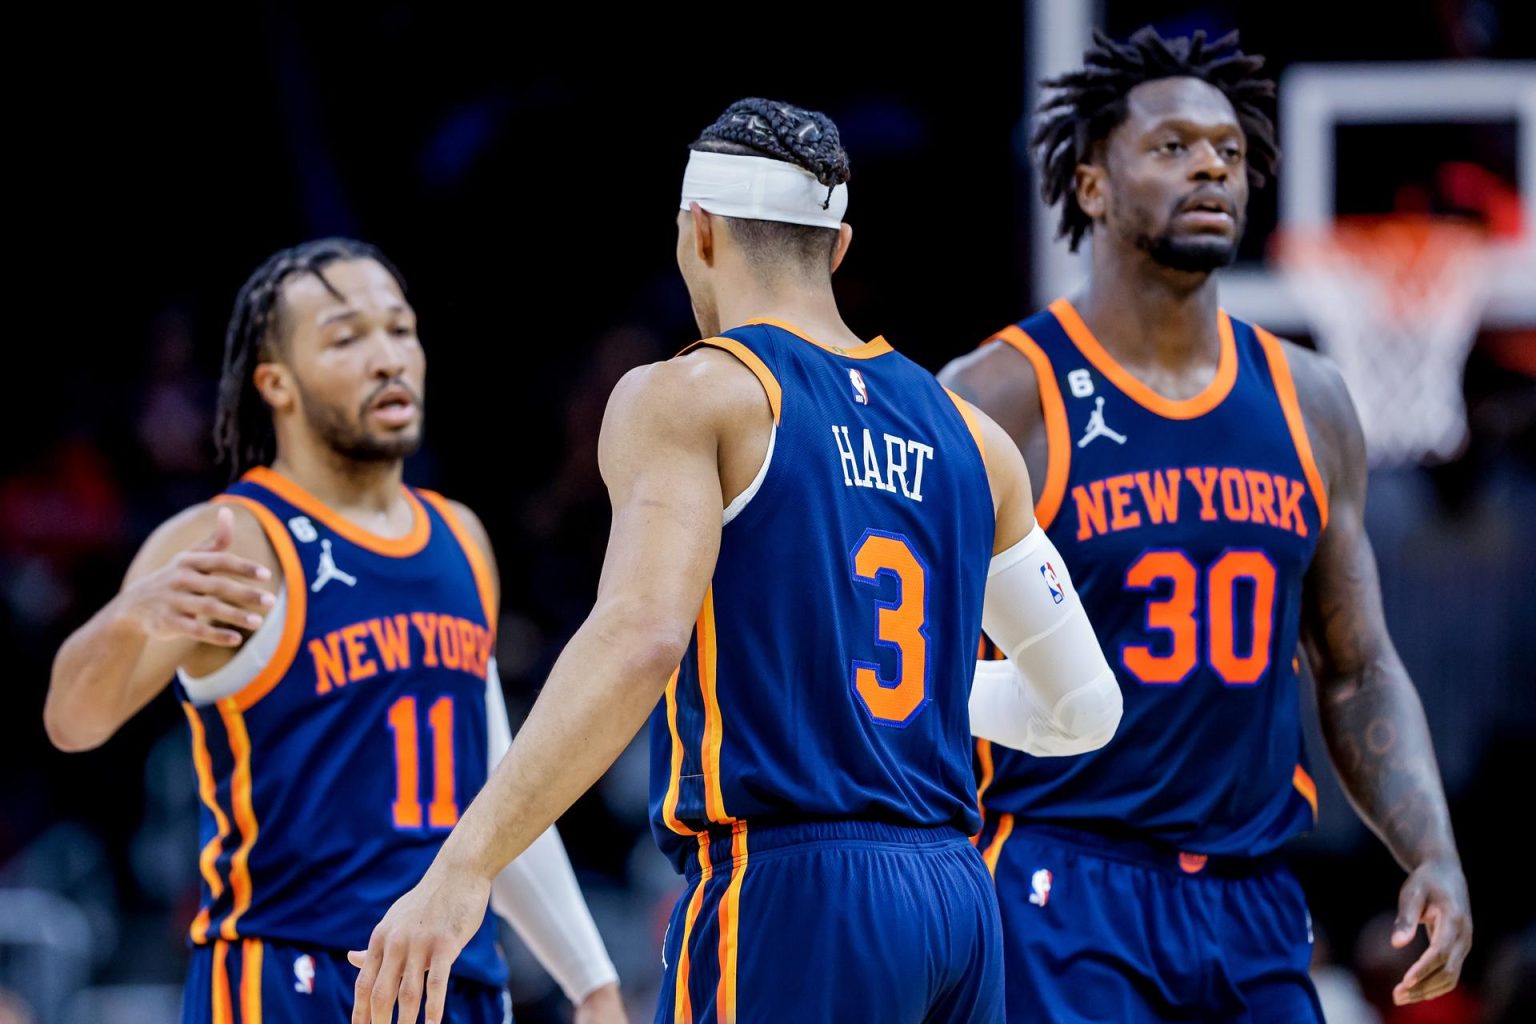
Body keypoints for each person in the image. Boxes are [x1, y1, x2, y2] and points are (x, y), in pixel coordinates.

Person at [348, 98, 1121, 1024]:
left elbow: (640, 635)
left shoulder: (693, 394)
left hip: (792, 890)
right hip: (956, 901)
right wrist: (913, 692)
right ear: (837, 248)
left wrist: (464, 866)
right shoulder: (974, 438)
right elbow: (1083, 709)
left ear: (698, 232)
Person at [939, 27, 1474, 1023]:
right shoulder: (999, 396)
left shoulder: (1310, 399)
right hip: (1061, 877)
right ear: (1091, 185)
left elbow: (1355, 665)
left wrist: (1430, 848)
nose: (1210, 168)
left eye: (1228, 151)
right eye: (1173, 146)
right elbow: (907, 660)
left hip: (1254, 895)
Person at [44, 238, 626, 1023]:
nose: (388, 358)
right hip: (290, 976)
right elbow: (73, 723)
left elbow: (497, 778)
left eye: (400, 329)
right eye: (347, 338)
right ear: (275, 383)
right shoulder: (230, 537)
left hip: (456, 978)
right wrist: (125, 618)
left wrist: (589, 979)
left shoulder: (461, 539)